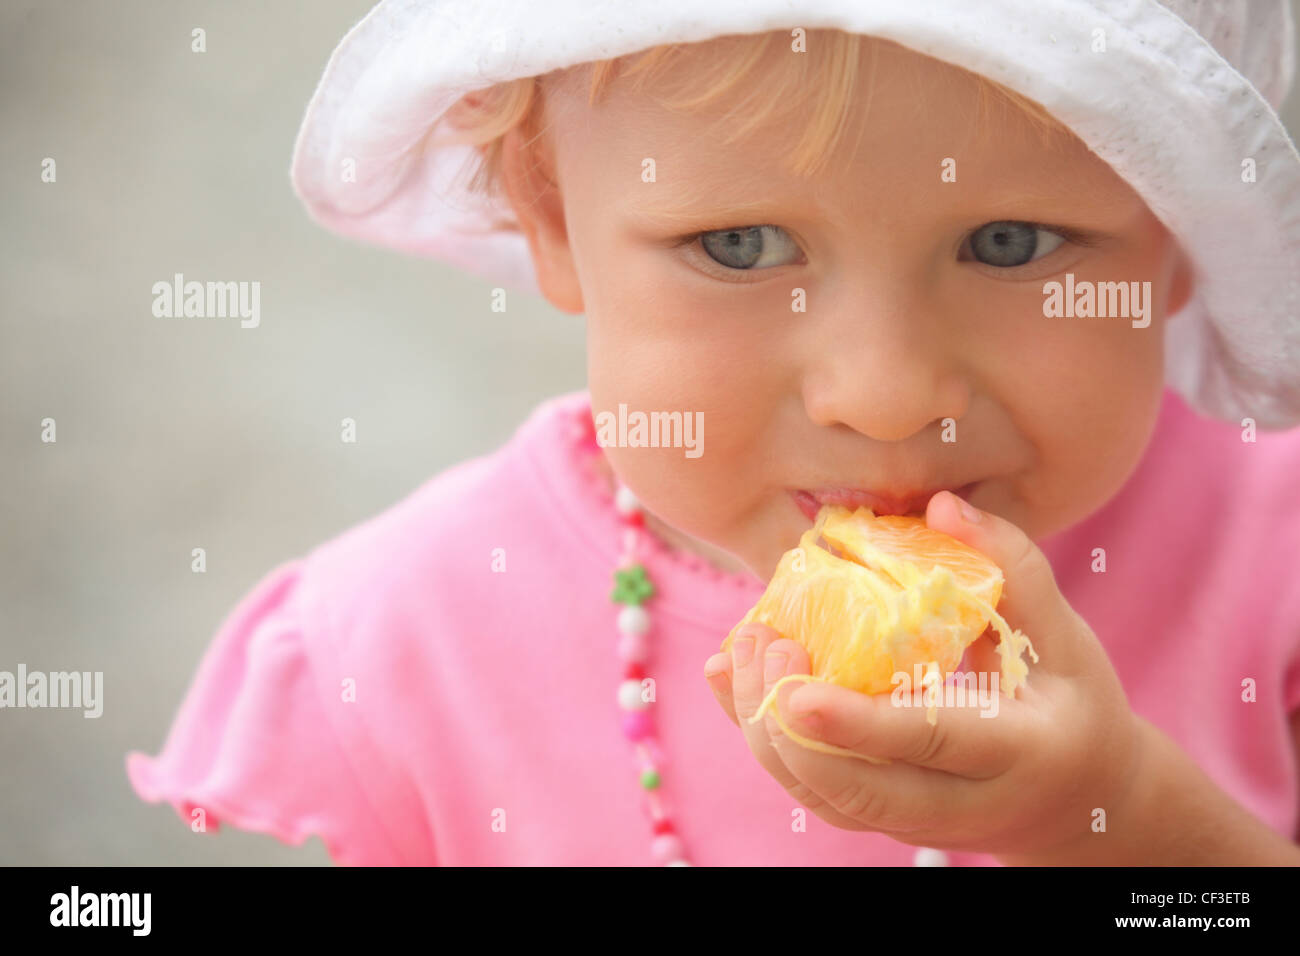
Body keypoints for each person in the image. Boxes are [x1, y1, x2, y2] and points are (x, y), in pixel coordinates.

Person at [126, 0, 1300, 865]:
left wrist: (1120, 820)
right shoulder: (414, 638)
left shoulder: (1270, 561)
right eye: (740, 246)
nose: (882, 394)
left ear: (1175, 234)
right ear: (549, 218)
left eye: (1010, 243)